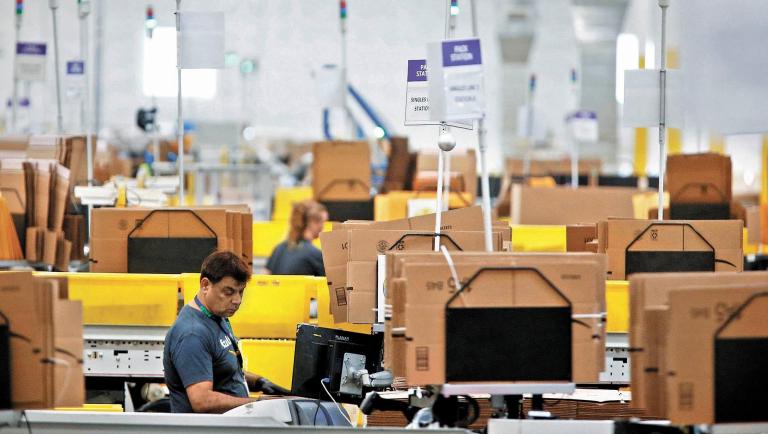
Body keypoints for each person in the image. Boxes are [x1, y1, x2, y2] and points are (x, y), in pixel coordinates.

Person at [164, 251, 289, 413]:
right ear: (205, 285)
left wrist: (259, 382)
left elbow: (221, 366)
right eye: (229, 292)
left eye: (241, 291)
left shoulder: (217, 316)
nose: (237, 300)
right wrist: (257, 402)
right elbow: (202, 401)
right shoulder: (192, 334)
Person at [266, 200, 327, 276]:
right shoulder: (315, 255)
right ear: (313, 222)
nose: (323, 227)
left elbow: (265, 277)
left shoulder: (279, 248)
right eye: (323, 222)